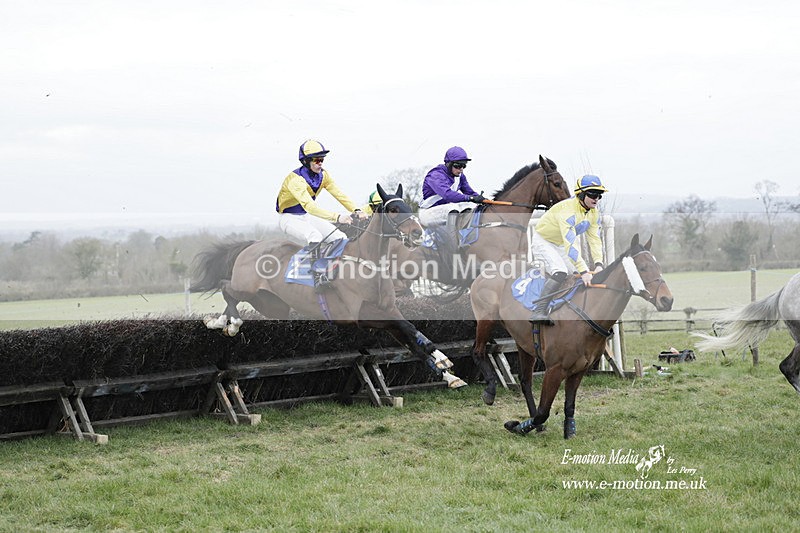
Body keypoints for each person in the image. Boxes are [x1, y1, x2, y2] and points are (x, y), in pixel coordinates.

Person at [275, 139, 366, 290]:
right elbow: (310, 207)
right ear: (306, 161)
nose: (320, 163)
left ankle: (333, 271)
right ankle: (317, 277)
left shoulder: (324, 175)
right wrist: (338, 217)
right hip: (289, 219)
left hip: (305, 217)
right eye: (317, 160)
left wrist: (356, 210)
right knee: (315, 236)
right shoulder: (295, 180)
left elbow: (339, 194)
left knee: (340, 237)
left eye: (322, 160)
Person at [527, 174, 608, 324]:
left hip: (560, 244)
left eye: (599, 195)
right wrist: (585, 271)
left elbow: (595, 240)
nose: (596, 198)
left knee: (575, 274)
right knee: (560, 272)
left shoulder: (593, 213)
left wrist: (598, 264)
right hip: (543, 241)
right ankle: (538, 310)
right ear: (581, 194)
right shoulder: (568, 211)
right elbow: (570, 245)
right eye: (592, 194)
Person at [418, 146, 485, 227]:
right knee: (453, 208)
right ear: (449, 164)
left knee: (473, 206)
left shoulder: (460, 176)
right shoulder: (435, 175)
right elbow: (448, 195)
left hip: (445, 211)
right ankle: (453, 240)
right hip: (427, 213)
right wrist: (470, 198)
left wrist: (484, 201)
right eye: (458, 165)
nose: (461, 169)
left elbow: (470, 192)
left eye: (464, 165)